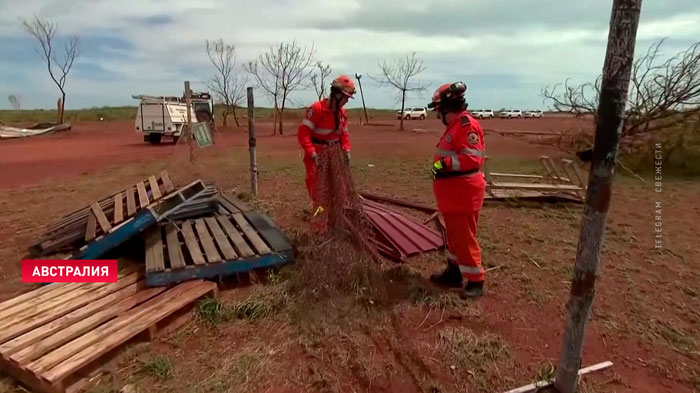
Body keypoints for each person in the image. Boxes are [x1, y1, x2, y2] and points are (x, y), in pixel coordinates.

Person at [427, 82, 487, 298]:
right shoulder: (454, 127)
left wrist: (442, 165)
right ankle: (454, 272)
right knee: (454, 237)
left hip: (464, 195)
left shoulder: (466, 126)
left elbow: (471, 159)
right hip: (454, 197)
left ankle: (475, 281)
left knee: (464, 238)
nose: (437, 116)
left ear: (446, 108)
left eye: (438, 111)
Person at [297, 74, 356, 205]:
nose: (346, 101)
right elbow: (304, 134)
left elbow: (344, 135)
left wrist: (346, 149)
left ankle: (335, 216)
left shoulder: (342, 114)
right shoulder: (316, 109)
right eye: (345, 98)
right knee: (318, 189)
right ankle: (320, 218)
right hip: (317, 154)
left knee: (338, 187)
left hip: (334, 153)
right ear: (337, 95)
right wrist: (312, 153)